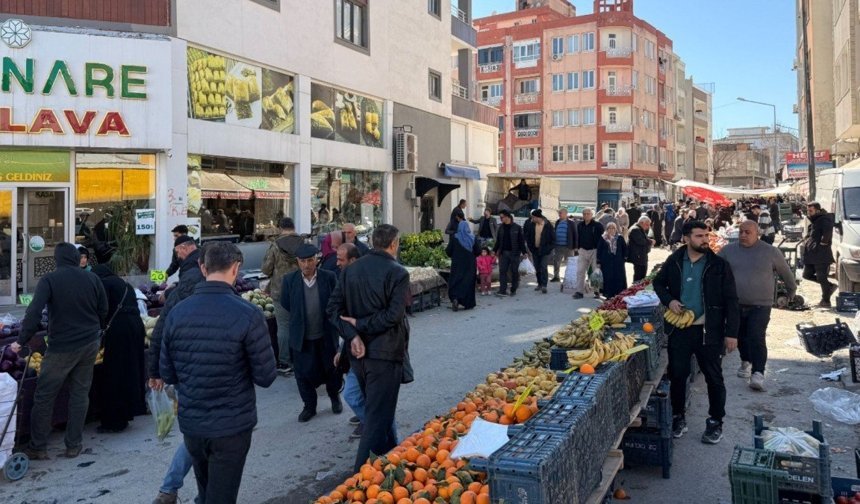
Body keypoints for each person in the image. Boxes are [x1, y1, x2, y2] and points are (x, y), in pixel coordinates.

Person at [160, 242, 277, 504]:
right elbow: (266, 376)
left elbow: (168, 373)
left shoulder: (177, 313)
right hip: (232, 426)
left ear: (202, 267)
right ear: (236, 269)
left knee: (207, 491)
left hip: (193, 425)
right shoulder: (248, 314)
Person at [11, 243, 108, 460]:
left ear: (57, 259)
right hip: (89, 342)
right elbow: (103, 308)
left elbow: (34, 313)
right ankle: (74, 445)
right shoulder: (92, 279)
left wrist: (21, 341)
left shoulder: (50, 280)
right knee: (80, 393)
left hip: (61, 347)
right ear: (76, 258)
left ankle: (38, 447)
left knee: (45, 395)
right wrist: (97, 330)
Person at [327, 224, 410, 473]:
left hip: (359, 358)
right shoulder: (398, 272)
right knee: (377, 418)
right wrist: (359, 328)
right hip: (385, 356)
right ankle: (358, 479)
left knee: (379, 415)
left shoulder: (351, 271)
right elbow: (394, 316)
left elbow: (333, 310)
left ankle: (391, 462)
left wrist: (354, 335)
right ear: (393, 244)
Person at [652, 221, 739, 445]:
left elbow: (732, 300)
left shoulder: (719, 265)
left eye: (706, 235)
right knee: (678, 375)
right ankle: (678, 416)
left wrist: (732, 333)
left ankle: (715, 422)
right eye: (699, 236)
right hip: (680, 329)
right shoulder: (674, 261)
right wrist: (669, 300)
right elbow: (659, 284)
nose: (704, 240)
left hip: (709, 331)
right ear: (686, 238)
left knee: (714, 377)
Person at [719, 220, 796, 391]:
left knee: (756, 336)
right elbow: (714, 269)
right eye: (741, 232)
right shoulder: (728, 251)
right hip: (735, 304)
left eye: (748, 232)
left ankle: (758, 373)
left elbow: (786, 273)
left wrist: (790, 293)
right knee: (740, 336)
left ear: (757, 234)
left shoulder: (770, 252)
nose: (743, 235)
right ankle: (745, 360)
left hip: (761, 303)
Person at [281, 244, 342, 422]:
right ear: (297, 262)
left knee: (332, 370)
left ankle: (334, 398)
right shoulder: (289, 280)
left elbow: (336, 300)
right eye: (302, 261)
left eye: (310, 260)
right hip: (302, 336)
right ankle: (309, 406)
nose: (306, 264)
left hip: (325, 334)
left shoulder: (328, 277)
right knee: (302, 373)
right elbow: (286, 303)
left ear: (317, 259)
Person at [92, 264, 146, 433]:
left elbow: (101, 310)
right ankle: (128, 412)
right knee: (131, 371)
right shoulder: (125, 285)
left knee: (114, 374)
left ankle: (113, 421)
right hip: (136, 327)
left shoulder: (103, 284)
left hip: (118, 331)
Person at [261, 217, 304, 375]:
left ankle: (285, 362)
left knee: (283, 327)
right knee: (300, 324)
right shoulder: (303, 243)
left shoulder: (275, 245)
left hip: (280, 291)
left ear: (280, 228)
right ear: (293, 227)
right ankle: (301, 358)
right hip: (301, 290)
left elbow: (266, 269)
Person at [802, 202, 837, 307]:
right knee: (806, 275)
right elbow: (812, 234)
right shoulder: (815, 220)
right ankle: (829, 286)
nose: (809, 212)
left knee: (822, 278)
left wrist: (823, 243)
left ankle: (826, 301)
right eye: (808, 210)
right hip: (812, 254)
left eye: (811, 210)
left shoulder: (824, 219)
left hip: (822, 254)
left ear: (817, 210)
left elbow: (827, 232)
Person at [446, 217, 480, 310]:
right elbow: (478, 251)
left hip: (457, 264)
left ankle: (455, 298)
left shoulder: (454, 238)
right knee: (468, 282)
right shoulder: (473, 238)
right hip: (469, 265)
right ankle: (467, 303)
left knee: (456, 281)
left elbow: (448, 251)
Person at [492, 210, 526, 296]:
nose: (500, 219)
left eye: (502, 217)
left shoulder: (517, 228)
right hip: (503, 253)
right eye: (500, 217)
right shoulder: (501, 228)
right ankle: (502, 290)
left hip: (514, 253)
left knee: (514, 271)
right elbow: (498, 241)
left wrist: (524, 252)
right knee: (502, 271)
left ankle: (513, 289)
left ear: (507, 217)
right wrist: (494, 250)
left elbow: (521, 241)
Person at [573, 208, 604, 299]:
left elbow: (602, 239)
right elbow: (577, 237)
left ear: (592, 215)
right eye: (584, 214)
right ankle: (579, 292)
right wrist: (577, 248)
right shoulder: (580, 225)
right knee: (580, 271)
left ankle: (596, 291)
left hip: (594, 250)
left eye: (588, 214)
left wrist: (600, 251)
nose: (586, 215)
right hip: (582, 250)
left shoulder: (598, 225)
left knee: (595, 272)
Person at [525, 209, 555, 294]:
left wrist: (548, 249)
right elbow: (528, 237)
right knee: (537, 268)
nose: (532, 219)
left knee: (543, 267)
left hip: (545, 251)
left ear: (537, 217)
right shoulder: (531, 225)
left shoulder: (548, 225)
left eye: (533, 217)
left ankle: (544, 285)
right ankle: (539, 284)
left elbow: (553, 239)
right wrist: (531, 248)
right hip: (535, 250)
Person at [597, 222, 628, 298]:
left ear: (616, 229)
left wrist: (624, 258)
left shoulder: (620, 237)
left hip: (618, 262)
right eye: (609, 228)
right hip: (606, 262)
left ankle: (619, 294)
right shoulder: (603, 238)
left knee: (619, 277)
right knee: (608, 278)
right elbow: (599, 250)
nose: (611, 230)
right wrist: (598, 261)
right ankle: (608, 295)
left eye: (613, 228)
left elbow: (625, 249)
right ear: (607, 229)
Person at [551, 209, 576, 283]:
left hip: (568, 246)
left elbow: (575, 234)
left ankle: (568, 278)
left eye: (560, 213)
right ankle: (556, 277)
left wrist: (575, 246)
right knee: (556, 262)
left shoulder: (571, 223)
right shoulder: (557, 222)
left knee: (569, 263)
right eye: (559, 213)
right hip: (558, 246)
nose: (559, 214)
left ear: (566, 214)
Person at [627, 216, 655, 283]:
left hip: (641, 255)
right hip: (638, 256)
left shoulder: (638, 229)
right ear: (641, 223)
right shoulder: (635, 229)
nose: (648, 227)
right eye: (647, 225)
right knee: (639, 276)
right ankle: (636, 290)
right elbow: (641, 241)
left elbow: (644, 239)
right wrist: (651, 241)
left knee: (642, 275)